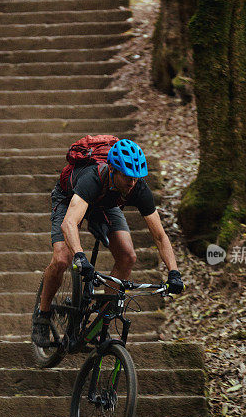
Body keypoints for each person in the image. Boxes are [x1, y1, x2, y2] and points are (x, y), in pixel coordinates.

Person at [31, 138, 184, 347]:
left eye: (136, 178)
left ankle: (98, 324)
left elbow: (159, 236)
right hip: (69, 199)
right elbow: (69, 223)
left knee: (128, 257)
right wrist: (79, 257)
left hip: (107, 204)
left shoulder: (136, 187)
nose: (132, 183)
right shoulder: (92, 179)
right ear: (112, 170)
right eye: (127, 177)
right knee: (62, 259)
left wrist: (174, 272)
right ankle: (43, 313)